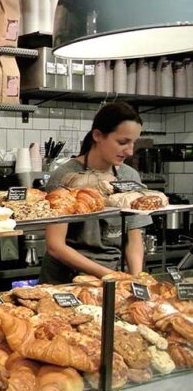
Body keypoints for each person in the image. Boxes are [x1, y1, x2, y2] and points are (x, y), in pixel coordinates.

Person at [40, 102, 151, 284]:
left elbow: (134, 238)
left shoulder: (129, 176)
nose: (130, 151)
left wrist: (136, 278)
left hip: (112, 276)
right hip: (67, 280)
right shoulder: (66, 177)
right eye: (122, 142)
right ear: (98, 135)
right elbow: (55, 246)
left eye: (133, 143)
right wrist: (108, 275)